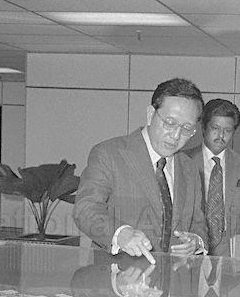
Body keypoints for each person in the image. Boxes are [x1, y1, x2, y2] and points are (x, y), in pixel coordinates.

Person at [73, 78, 208, 262]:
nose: (176, 136)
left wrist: (196, 241)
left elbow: (199, 223)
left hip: (175, 282)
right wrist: (119, 234)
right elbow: (85, 210)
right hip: (120, 281)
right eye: (169, 123)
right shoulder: (109, 154)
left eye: (187, 128)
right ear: (150, 114)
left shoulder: (189, 168)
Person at [187, 99, 240, 258]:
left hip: (230, 252)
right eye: (215, 128)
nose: (221, 136)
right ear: (203, 127)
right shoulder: (183, 161)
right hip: (191, 248)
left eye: (227, 130)